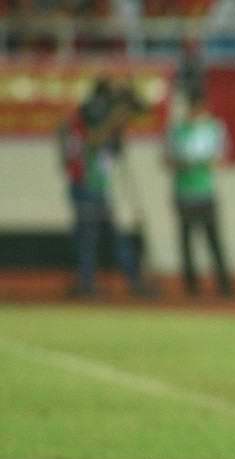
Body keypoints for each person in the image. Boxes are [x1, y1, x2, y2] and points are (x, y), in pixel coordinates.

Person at [59, 77, 150, 297]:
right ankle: (89, 283)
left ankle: (125, 279)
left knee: (101, 235)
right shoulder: (91, 120)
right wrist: (113, 121)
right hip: (87, 186)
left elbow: (107, 153)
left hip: (96, 186)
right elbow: (92, 142)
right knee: (90, 236)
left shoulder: (94, 121)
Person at [166, 90, 233, 296]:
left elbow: (221, 157)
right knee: (186, 239)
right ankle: (191, 285)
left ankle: (224, 283)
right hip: (184, 190)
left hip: (205, 189)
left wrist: (207, 161)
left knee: (213, 237)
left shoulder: (214, 127)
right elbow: (168, 159)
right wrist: (183, 162)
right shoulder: (177, 129)